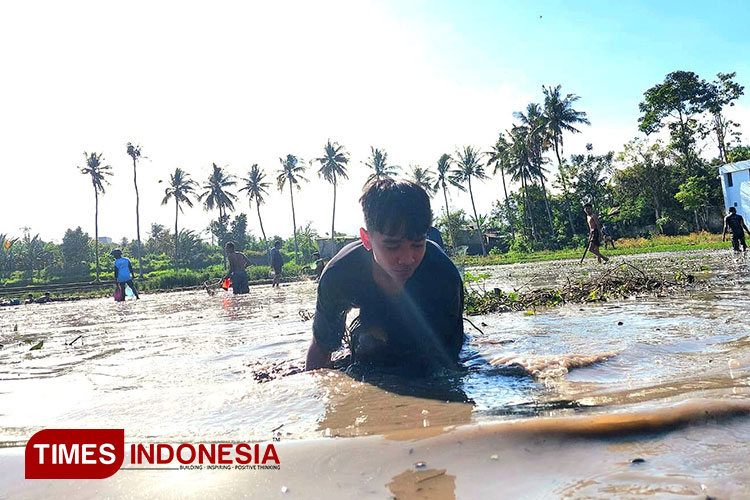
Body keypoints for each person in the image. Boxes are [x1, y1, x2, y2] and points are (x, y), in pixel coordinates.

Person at [306, 179, 465, 373]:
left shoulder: (444, 276)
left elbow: (449, 359)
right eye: (392, 246)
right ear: (367, 239)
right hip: (370, 327)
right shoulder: (338, 277)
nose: (407, 259)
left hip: (421, 320)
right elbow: (321, 349)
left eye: (417, 244)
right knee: (369, 348)